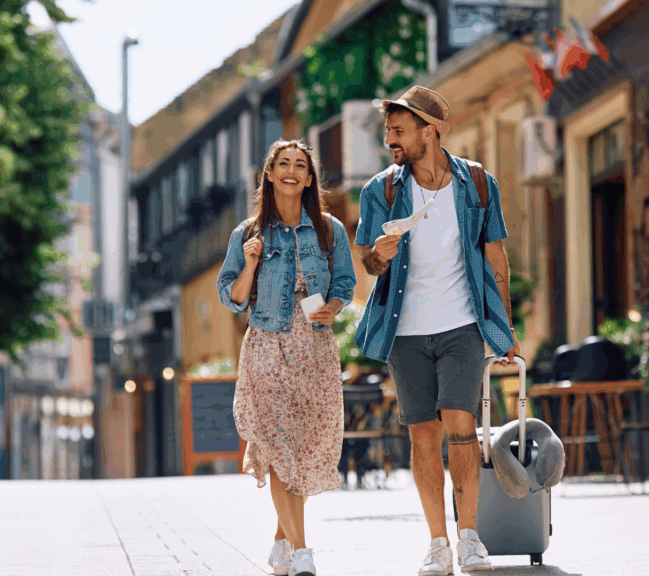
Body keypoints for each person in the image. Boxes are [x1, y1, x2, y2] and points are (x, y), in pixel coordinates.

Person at [353, 86, 520, 575]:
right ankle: (437, 544)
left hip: (461, 325)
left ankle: (469, 537)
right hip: (405, 332)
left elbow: (495, 255)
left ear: (430, 131)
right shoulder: (380, 191)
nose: (391, 140)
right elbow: (368, 262)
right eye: (388, 131)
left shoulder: (477, 184)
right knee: (423, 435)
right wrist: (377, 257)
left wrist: (503, 327)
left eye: (399, 131)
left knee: (461, 428)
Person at [217, 139, 356, 576]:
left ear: (310, 178)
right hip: (268, 343)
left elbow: (346, 283)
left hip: (313, 345)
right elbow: (233, 298)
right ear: (270, 174)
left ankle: (281, 542)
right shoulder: (248, 233)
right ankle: (301, 550)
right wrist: (250, 264)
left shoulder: (328, 228)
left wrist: (332, 307)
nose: (292, 171)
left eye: (300, 165)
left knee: (306, 444)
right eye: (283, 164)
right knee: (278, 446)